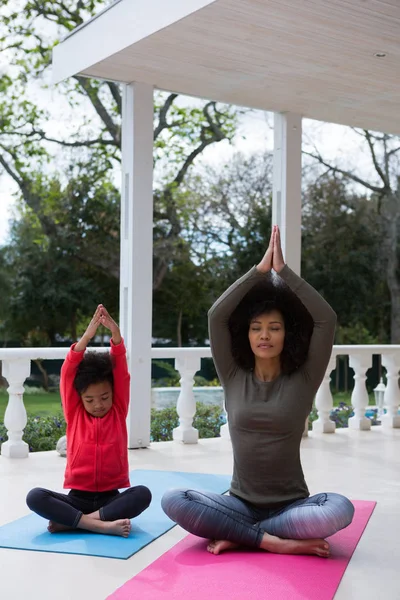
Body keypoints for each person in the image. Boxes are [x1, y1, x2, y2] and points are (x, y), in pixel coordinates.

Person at [162, 226, 354, 557]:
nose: (264, 335)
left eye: (274, 328)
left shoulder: (304, 379)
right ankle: (272, 542)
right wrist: (258, 272)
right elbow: (216, 316)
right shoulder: (233, 374)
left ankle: (242, 537)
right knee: (173, 499)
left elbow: (326, 319)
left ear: (287, 335)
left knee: (339, 509)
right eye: (256, 328)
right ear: (246, 335)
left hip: (292, 508)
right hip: (239, 504)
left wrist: (284, 273)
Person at [26, 305, 151, 537]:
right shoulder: (74, 413)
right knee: (34, 496)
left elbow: (121, 372)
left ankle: (78, 523)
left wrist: (115, 336)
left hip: (111, 499)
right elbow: (67, 372)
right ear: (80, 399)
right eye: (90, 399)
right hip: (77, 498)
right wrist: (86, 337)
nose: (98, 404)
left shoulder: (118, 410)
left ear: (113, 394)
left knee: (143, 494)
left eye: (104, 397)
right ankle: (99, 525)